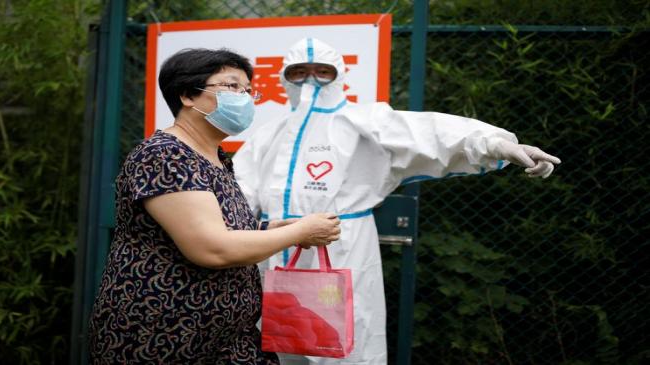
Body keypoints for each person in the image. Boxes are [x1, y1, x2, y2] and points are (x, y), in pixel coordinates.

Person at [232, 37, 561, 365]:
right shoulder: (269, 134)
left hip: (341, 247)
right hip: (275, 250)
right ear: (285, 78)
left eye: (322, 71)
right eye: (299, 72)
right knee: (282, 341)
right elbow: (237, 195)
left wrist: (497, 145)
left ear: (340, 74)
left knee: (347, 342)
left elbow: (431, 133)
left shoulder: (366, 121)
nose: (310, 80)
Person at [88, 48, 342, 364]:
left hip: (226, 339)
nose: (245, 97)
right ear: (187, 96)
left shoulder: (217, 159)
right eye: (232, 86)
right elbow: (212, 248)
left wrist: (269, 229)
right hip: (166, 338)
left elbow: (219, 228)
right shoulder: (166, 156)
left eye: (249, 90)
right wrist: (301, 230)